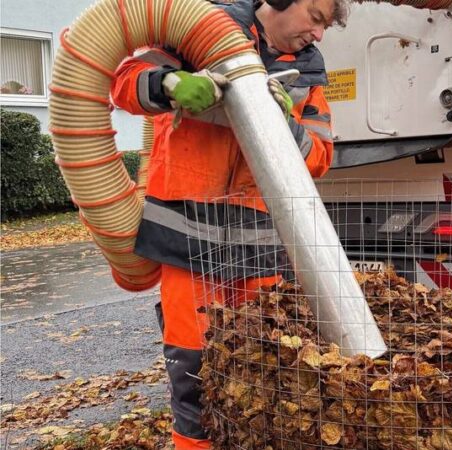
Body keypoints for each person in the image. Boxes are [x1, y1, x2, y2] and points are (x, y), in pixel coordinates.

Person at [110, 0, 348, 448]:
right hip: (186, 241)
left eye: (325, 27)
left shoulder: (309, 75)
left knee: (266, 373)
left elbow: (320, 155)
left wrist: (286, 125)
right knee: (195, 375)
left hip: (258, 246)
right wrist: (171, 81)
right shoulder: (198, 31)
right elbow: (123, 83)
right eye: (315, 19)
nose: (318, 35)